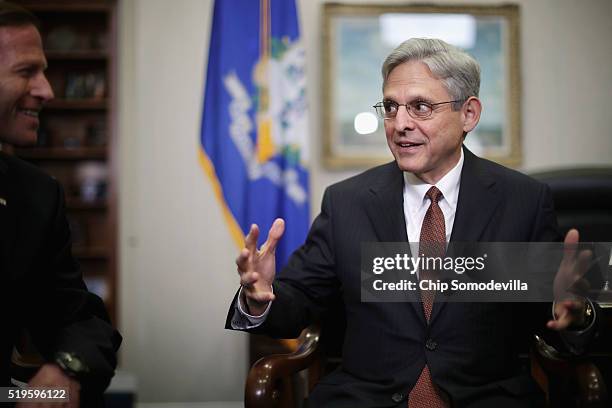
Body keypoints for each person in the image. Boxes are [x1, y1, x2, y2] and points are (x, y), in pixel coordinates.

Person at [226, 38, 598, 407]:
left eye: (420, 107)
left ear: (468, 114)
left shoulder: (522, 201)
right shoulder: (347, 203)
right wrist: (259, 298)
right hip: (365, 399)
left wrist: (572, 309)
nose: (400, 123)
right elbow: (300, 302)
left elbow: (551, 318)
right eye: (390, 107)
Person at [0, 2, 121, 407]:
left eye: (44, 71)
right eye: (26, 72)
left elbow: (79, 320)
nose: (47, 90)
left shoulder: (34, 195)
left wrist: (64, 370)